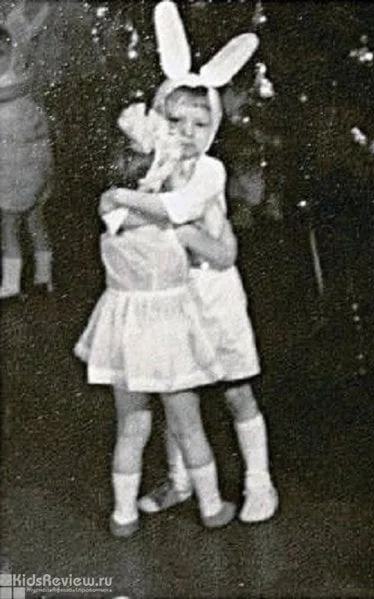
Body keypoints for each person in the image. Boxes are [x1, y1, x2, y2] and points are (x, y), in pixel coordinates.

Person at [99, 1, 277, 524]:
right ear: (157, 122)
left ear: (214, 126)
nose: (188, 132)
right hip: (168, 297)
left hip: (213, 293)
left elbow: (186, 219)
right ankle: (182, 481)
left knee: (236, 389)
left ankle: (259, 481)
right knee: (178, 394)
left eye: (201, 123)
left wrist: (131, 205)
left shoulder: (210, 172)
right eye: (175, 121)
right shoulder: (146, 169)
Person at [75, 103, 237, 538]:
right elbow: (222, 255)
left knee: (131, 426)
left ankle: (123, 514)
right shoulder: (175, 227)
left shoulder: (112, 218)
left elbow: (115, 201)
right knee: (188, 424)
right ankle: (211, 505)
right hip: (168, 331)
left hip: (124, 329)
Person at [0, 2, 54, 300]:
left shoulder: (11, 86)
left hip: (14, 163)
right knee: (35, 218)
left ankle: (11, 285)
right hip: (35, 160)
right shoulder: (23, 77)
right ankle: (44, 278)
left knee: (9, 223)